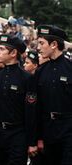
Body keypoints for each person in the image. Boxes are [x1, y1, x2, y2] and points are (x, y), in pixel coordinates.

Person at [0, 34, 37, 165]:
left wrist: (32, 142)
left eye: (2, 49)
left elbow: (31, 112)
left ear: (13, 53)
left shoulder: (26, 78)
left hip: (17, 135)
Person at [35, 25, 72, 165]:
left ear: (54, 44)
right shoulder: (40, 72)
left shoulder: (70, 69)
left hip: (69, 130)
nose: (38, 47)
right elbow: (36, 107)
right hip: (48, 131)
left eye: (42, 43)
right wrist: (38, 138)